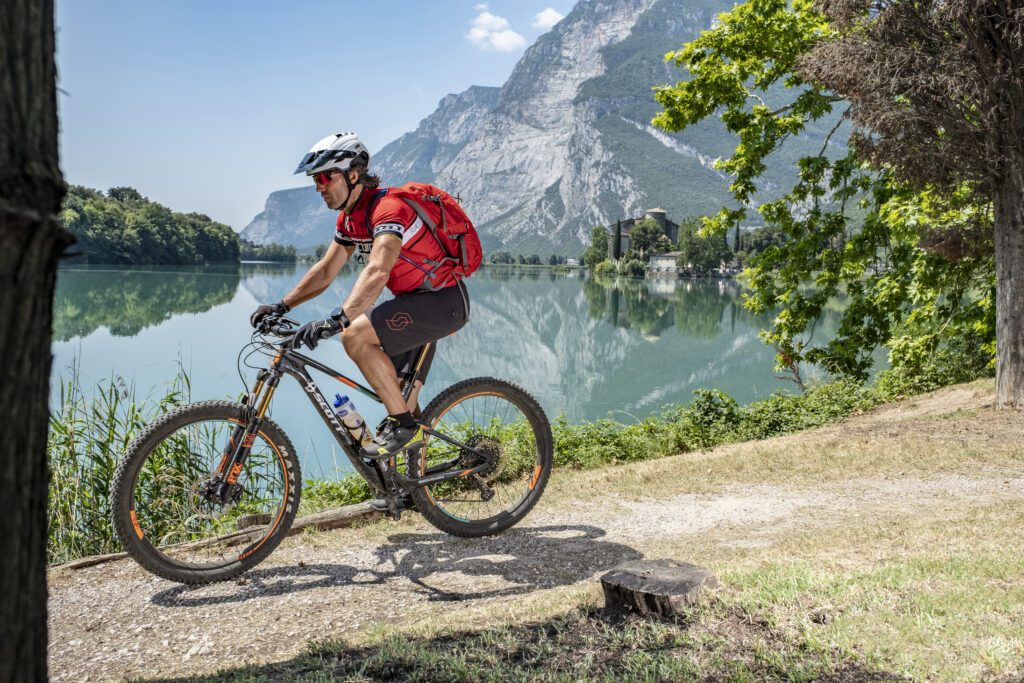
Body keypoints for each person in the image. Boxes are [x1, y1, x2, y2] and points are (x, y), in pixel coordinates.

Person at [250, 132, 471, 468]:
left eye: (326, 177)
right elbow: (326, 271)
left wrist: (339, 319)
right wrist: (282, 305)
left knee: (354, 337)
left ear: (353, 174)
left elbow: (379, 269)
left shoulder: (388, 209)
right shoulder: (350, 218)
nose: (319, 187)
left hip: (442, 302)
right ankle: (412, 485)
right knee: (398, 392)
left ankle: (404, 427)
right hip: (412, 305)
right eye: (316, 181)